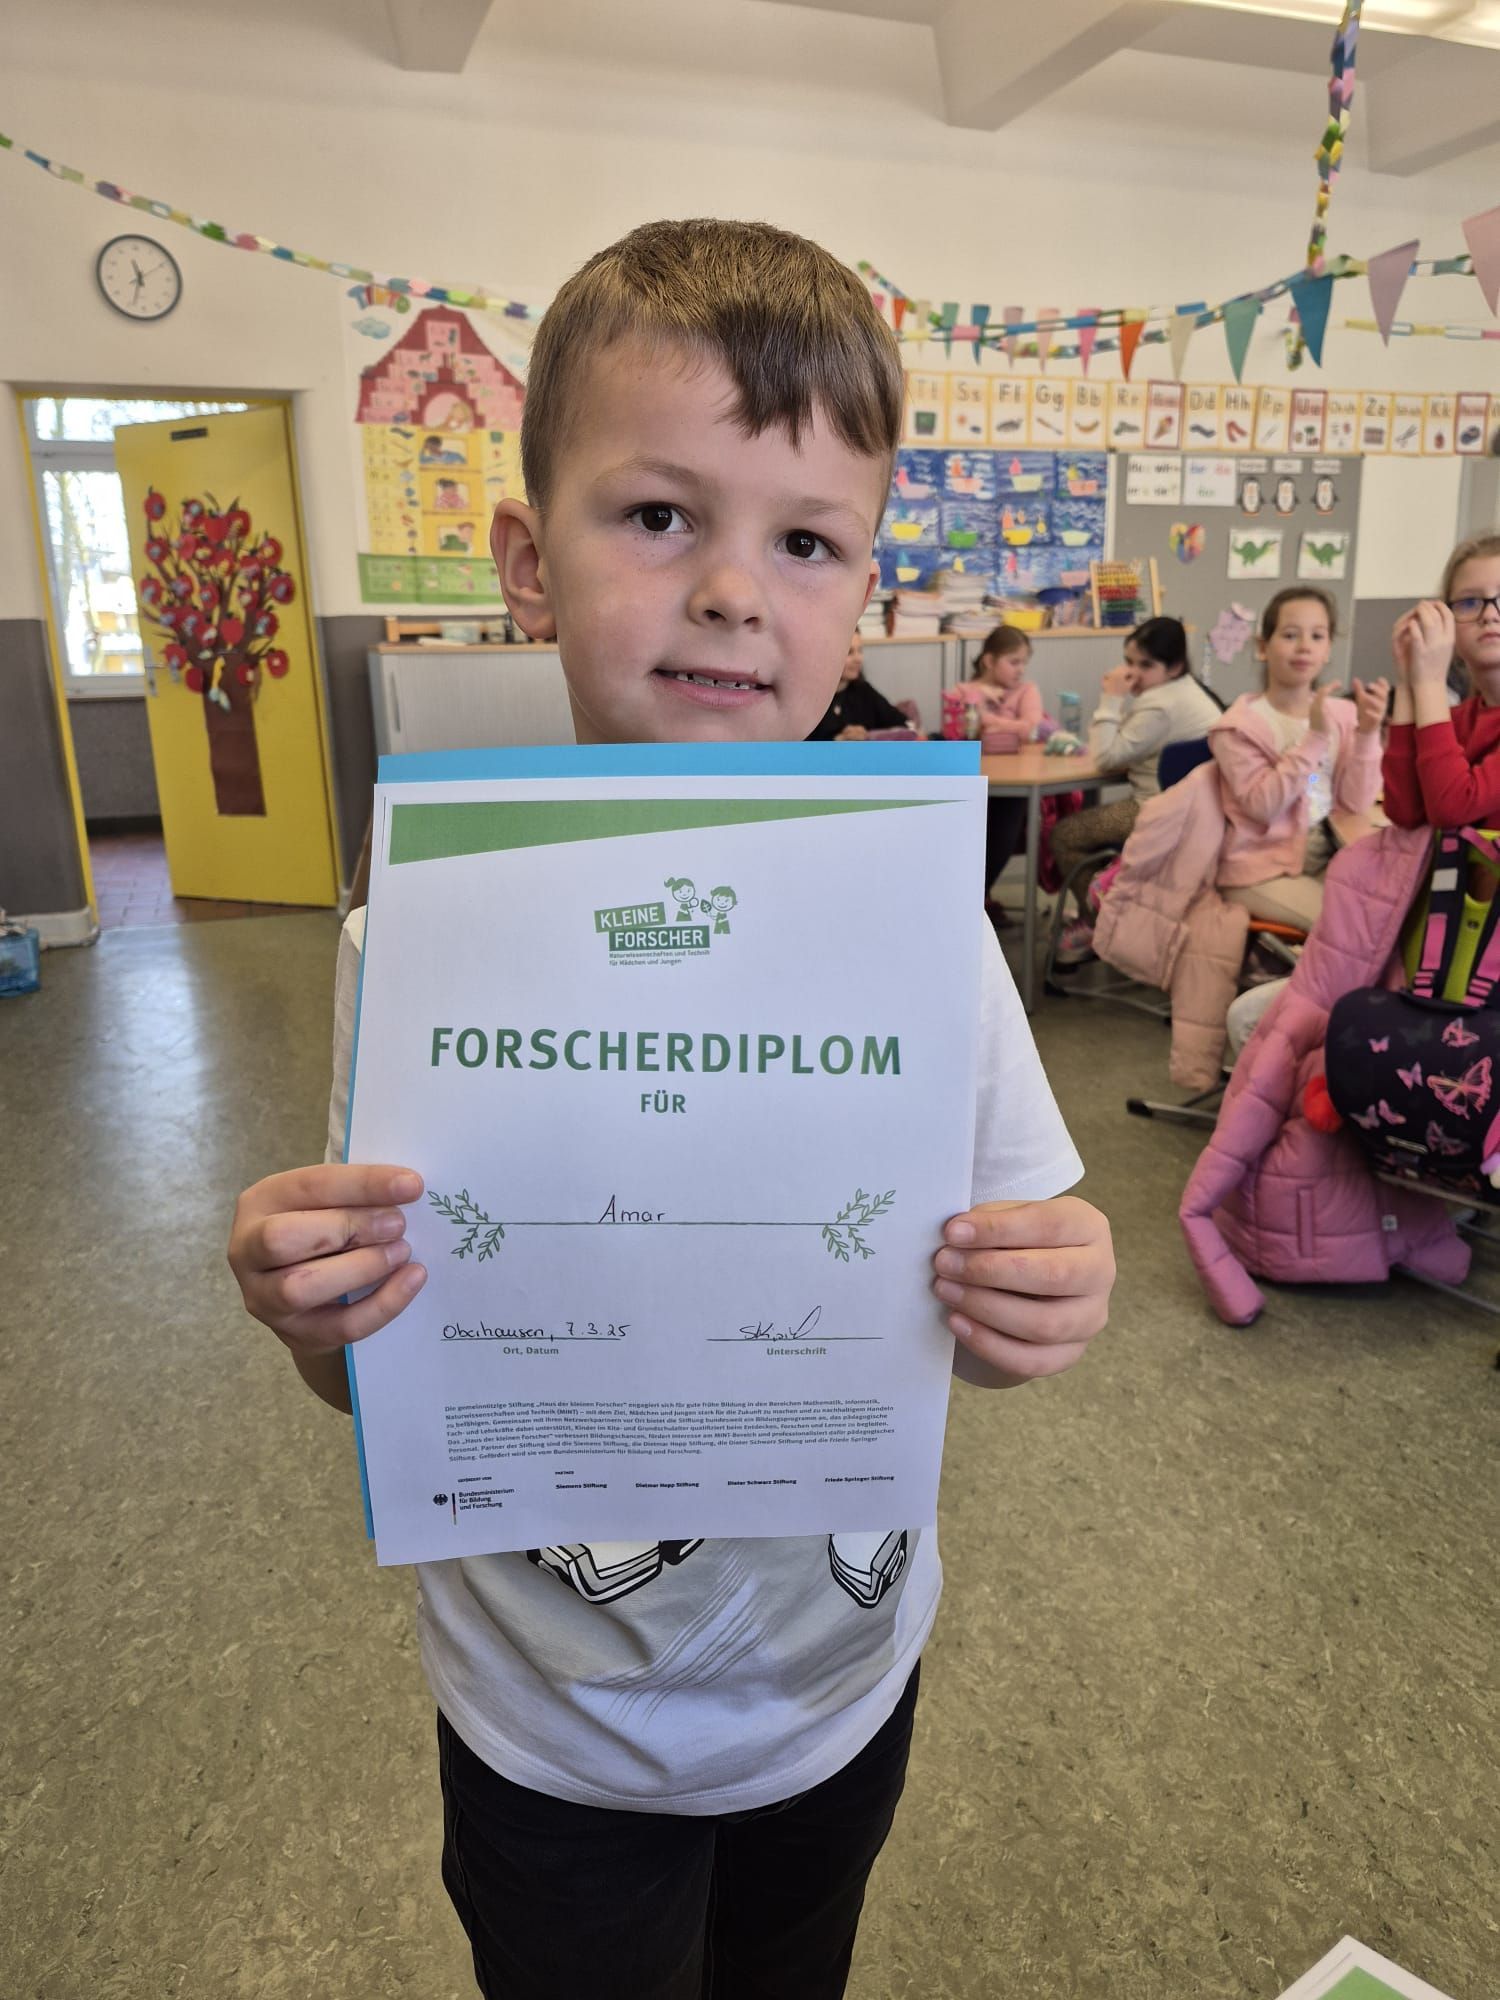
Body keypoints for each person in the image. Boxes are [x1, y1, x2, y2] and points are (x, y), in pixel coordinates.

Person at [225, 218, 1115, 2000]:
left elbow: (1008, 1267)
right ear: (527, 565)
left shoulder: (919, 929)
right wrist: (314, 1316)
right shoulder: (426, 936)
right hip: (549, 1727)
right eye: (657, 516)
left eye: (805, 542)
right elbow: (376, 1367)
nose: (732, 591)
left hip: (841, 1683)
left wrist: (1047, 1292)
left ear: (860, 600)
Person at [1209, 588, 1386, 931]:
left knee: (1393, 915)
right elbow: (1263, 806)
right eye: (1290, 635)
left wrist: (1367, 733)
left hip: (1327, 855)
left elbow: (1356, 802)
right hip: (1260, 869)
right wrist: (1314, 739)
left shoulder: (1342, 713)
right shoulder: (1239, 727)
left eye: (1317, 636)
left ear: (1328, 649)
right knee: (1352, 929)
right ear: (1263, 647)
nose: (1305, 646)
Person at [1049, 616, 1220, 962]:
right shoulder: (1187, 690)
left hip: (1160, 812)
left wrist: (1111, 699)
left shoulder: (1160, 705)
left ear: (1174, 667)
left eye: (1146, 665)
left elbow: (1104, 758)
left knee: (1066, 835)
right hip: (1196, 813)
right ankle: (1115, 905)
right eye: (1129, 661)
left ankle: (1100, 924)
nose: (1132, 673)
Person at [1384, 532, 1500, 828]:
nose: (1489, 614)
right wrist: (1408, 681)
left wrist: (1430, 683)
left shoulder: (1438, 706)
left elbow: (1453, 808)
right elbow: (1405, 811)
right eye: (1470, 602)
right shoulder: (1455, 721)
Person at [946, 625, 1045, 925]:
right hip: (971, 780)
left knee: (1007, 820)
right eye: (1013, 662)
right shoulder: (962, 692)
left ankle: (978, 896)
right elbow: (958, 729)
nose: (1021, 669)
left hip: (1015, 781)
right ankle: (965, 896)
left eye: (1024, 662)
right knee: (965, 832)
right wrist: (980, 701)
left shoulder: (1027, 690)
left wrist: (990, 720)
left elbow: (1033, 728)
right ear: (989, 661)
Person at [806, 630, 918, 740]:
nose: (858, 659)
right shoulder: (809, 700)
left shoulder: (864, 691)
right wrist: (837, 740)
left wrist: (869, 735)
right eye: (849, 652)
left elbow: (905, 725)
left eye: (860, 650)